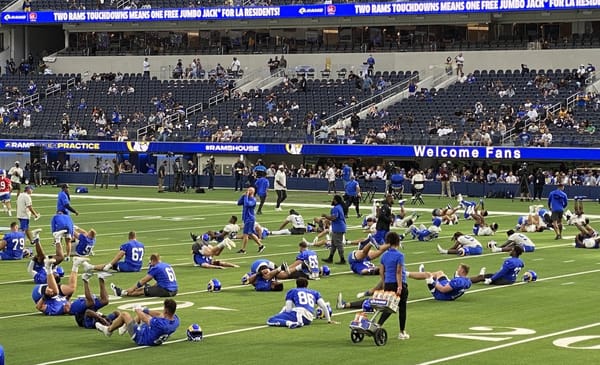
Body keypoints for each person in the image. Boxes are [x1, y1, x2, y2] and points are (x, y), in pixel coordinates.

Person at [95, 298, 180, 347]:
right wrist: (144, 310)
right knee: (145, 313)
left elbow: (145, 319)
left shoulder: (161, 324)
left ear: (167, 310)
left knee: (124, 314)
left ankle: (109, 330)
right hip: (154, 335)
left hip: (141, 338)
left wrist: (137, 309)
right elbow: (159, 314)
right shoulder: (176, 320)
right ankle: (124, 327)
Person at [266, 277, 337, 328]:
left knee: (271, 320)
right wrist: (329, 320)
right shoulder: (315, 292)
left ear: (296, 284)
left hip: (299, 314)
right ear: (307, 285)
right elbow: (324, 306)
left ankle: (290, 323)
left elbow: (288, 309)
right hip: (309, 318)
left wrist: (285, 315)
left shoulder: (293, 291)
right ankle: (297, 322)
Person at [377, 232, 409, 340]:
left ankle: (379, 324)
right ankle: (402, 331)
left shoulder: (384, 255)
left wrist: (384, 283)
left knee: (389, 306)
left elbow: (381, 271)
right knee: (402, 308)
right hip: (398, 283)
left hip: (388, 283)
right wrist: (400, 286)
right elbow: (399, 272)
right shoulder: (400, 255)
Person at [110, 253, 178, 297]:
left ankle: (122, 293)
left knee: (142, 291)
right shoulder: (166, 265)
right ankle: (123, 291)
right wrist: (152, 287)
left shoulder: (156, 267)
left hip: (167, 291)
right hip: (174, 290)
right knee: (146, 288)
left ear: (153, 260)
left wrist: (132, 288)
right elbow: (163, 281)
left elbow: (143, 281)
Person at [80, 231, 145, 273]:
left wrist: (110, 264)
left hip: (129, 267)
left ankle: (90, 267)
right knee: (114, 264)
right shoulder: (141, 244)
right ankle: (90, 267)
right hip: (138, 267)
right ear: (135, 237)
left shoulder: (127, 244)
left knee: (110, 265)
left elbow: (120, 256)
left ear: (129, 237)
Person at [407, 263, 472, 301]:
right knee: (440, 273)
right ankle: (422, 274)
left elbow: (443, 290)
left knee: (427, 275)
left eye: (459, 269)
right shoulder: (468, 281)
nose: (457, 270)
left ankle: (405, 273)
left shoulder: (458, 281)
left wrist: (433, 282)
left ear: (462, 271)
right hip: (449, 292)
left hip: (440, 295)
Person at [236, 187, 264, 254]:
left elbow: (247, 204)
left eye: (250, 190)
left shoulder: (253, 200)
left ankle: (243, 249)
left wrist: (246, 196)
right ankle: (261, 245)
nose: (248, 191)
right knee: (250, 233)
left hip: (250, 218)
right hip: (246, 218)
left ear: (253, 192)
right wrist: (243, 196)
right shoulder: (246, 198)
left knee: (245, 234)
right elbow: (239, 203)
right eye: (248, 190)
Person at [321, 195, 347, 264]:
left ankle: (342, 259)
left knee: (338, 244)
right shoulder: (339, 207)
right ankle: (330, 258)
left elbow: (333, 218)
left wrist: (325, 216)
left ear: (336, 200)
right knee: (333, 244)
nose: (332, 200)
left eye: (333, 199)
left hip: (338, 228)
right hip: (338, 227)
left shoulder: (336, 208)